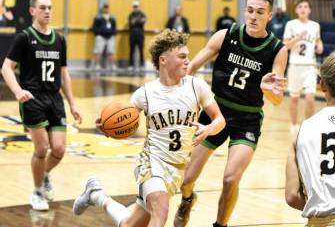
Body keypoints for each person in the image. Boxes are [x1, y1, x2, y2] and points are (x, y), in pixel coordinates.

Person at [72, 29, 226, 227]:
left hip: (177, 168)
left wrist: (211, 128)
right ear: (163, 60)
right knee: (160, 212)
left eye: (188, 56)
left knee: (130, 224)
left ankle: (96, 195)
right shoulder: (145, 94)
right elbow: (122, 120)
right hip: (152, 163)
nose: (188, 61)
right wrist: (106, 127)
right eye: (182, 56)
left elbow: (220, 119)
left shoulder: (197, 86)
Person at [173, 0, 288, 227]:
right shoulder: (226, 35)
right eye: (250, 10)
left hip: (247, 120)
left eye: (260, 12)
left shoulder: (277, 49)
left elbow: (277, 100)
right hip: (215, 114)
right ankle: (187, 199)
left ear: (270, 15)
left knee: (230, 179)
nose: (253, 16)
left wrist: (268, 91)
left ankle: (220, 225)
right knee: (186, 180)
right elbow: (192, 66)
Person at [0, 0, 82, 211]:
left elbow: (64, 74)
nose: (47, 11)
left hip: (54, 98)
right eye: (43, 7)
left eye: (50, 8)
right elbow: (6, 67)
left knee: (59, 149)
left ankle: (44, 174)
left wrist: (73, 103)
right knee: (42, 148)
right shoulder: (24, 37)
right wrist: (17, 91)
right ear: (32, 11)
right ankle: (37, 192)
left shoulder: (60, 40)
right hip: (33, 97)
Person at [285, 51, 335, 226]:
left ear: (322, 85)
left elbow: (291, 196)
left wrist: (322, 207)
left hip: (317, 222)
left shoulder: (300, 131)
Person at [283, 0, 323, 140]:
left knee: (310, 98)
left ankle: (308, 127)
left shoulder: (315, 25)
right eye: (300, 7)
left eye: (305, 7)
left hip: (310, 67)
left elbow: (318, 41)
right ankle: (294, 126)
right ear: (296, 10)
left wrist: (320, 46)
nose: (303, 9)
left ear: (310, 10)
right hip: (295, 66)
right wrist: (298, 38)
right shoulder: (291, 24)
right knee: (294, 99)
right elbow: (285, 45)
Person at [92, 4, 117, 71]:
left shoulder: (112, 18)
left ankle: (112, 65)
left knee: (111, 51)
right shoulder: (98, 18)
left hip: (110, 37)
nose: (106, 9)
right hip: (101, 37)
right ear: (103, 9)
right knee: (98, 51)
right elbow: (94, 27)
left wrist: (113, 33)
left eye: (107, 8)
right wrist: (97, 34)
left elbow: (114, 27)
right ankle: (97, 65)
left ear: (109, 9)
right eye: (105, 8)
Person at [128, 0, 146, 69]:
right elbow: (131, 23)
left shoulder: (142, 14)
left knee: (141, 50)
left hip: (140, 35)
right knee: (131, 50)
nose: (135, 8)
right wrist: (138, 21)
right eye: (134, 6)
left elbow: (142, 22)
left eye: (136, 6)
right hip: (132, 35)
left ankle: (141, 64)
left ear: (138, 7)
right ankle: (130, 65)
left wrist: (135, 21)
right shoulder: (131, 15)